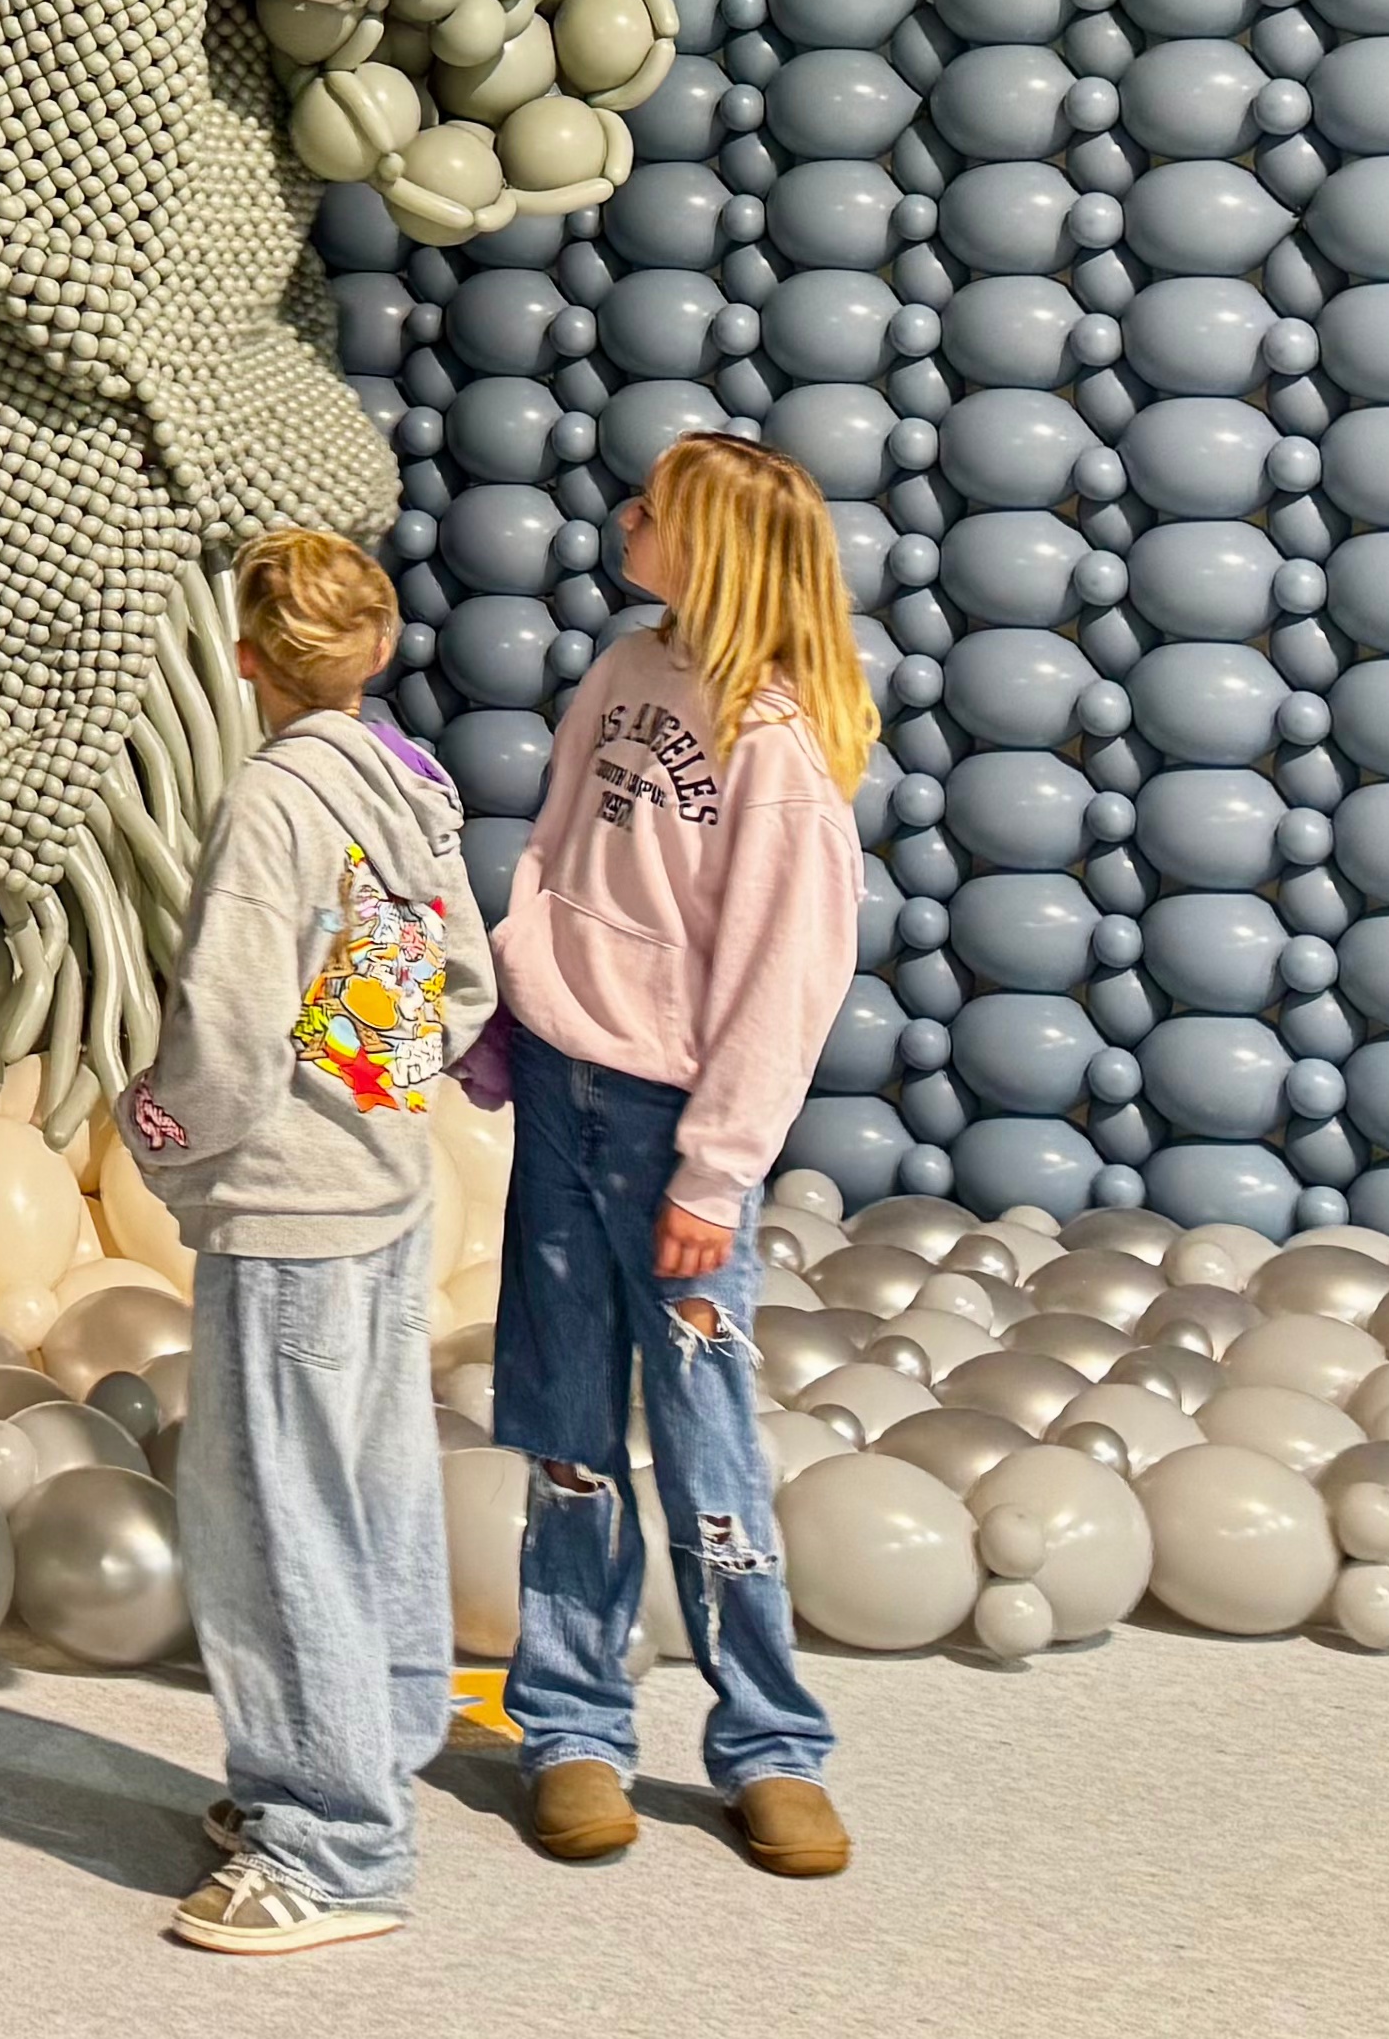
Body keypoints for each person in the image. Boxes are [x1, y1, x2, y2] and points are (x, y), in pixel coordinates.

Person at [486, 430, 874, 1877]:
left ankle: (769, 1737)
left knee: (706, 1445)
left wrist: (713, 1176)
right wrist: (513, 993)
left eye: (654, 510)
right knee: (564, 1424)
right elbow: (555, 850)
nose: (626, 517)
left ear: (709, 546)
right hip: (559, 1088)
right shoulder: (622, 672)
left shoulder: (773, 746)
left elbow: (783, 980)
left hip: (673, 1130)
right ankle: (573, 1724)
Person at [124, 529, 499, 1958]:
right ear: (377, 648)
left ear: (240, 658)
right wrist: (367, 1078)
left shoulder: (272, 802)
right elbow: (462, 982)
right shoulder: (407, 778)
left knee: (274, 1515)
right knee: (374, 1487)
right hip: (382, 1191)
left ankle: (333, 1837)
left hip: (285, 1212)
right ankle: (366, 1745)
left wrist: (155, 1129)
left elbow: (223, 1033)